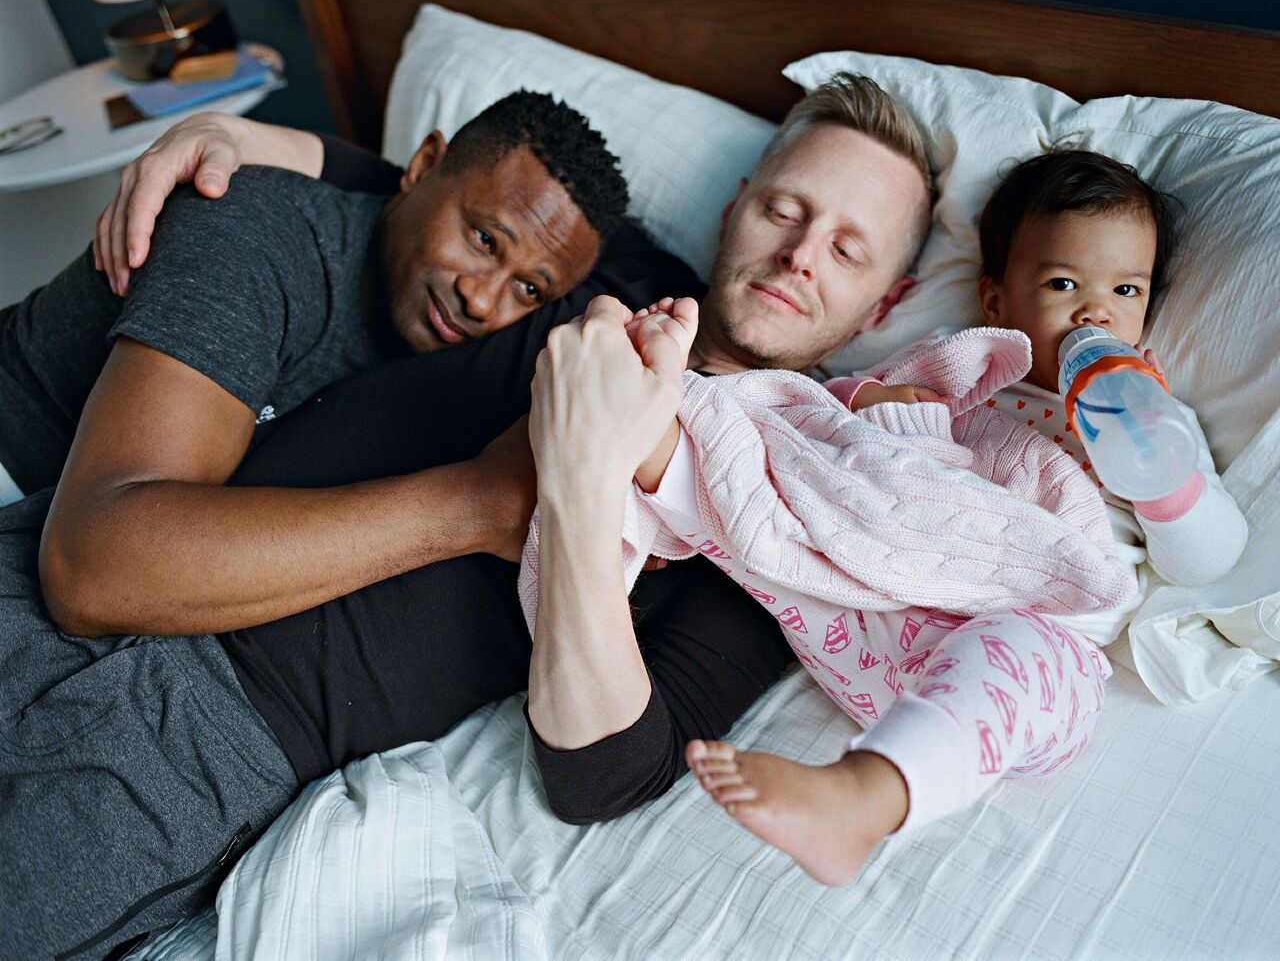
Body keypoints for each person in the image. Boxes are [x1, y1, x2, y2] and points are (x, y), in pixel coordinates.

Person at [0, 73, 932, 956]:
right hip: (98, 544)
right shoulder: (608, 277)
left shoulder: (795, 508)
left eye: (847, 250)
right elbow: (450, 203)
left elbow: (607, 773)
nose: (798, 256)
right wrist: (244, 139)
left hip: (200, 738)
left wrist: (570, 491)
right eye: (784, 211)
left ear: (883, 305)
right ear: (734, 211)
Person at [614, 151, 1246, 885]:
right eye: (1063, 283)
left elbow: (1206, 560)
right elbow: (840, 453)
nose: (1094, 313)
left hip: (1017, 641)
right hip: (874, 608)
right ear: (998, 303)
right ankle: (658, 437)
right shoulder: (963, 378)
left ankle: (863, 796)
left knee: (1045, 666)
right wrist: (877, 413)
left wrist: (1165, 481)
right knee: (777, 513)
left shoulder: (1155, 421)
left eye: (1125, 289)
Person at [0, 91, 629, 640]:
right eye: (484, 239)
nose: (481, 300)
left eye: (527, 290)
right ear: (422, 166)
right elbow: (93, 569)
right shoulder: (254, 239)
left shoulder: (460, 331)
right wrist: (474, 508)